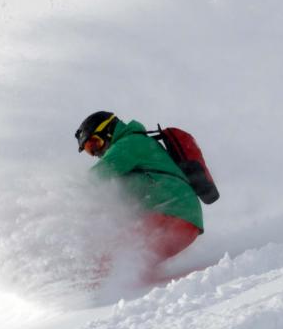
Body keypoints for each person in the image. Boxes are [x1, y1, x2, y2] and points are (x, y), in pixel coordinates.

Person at [75, 111, 203, 277]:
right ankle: (131, 288)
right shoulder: (137, 144)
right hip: (182, 220)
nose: (96, 153)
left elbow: (95, 178)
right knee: (128, 265)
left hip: (172, 215)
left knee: (105, 260)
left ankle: (86, 287)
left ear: (108, 131)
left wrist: (61, 199)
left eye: (95, 143)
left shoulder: (129, 144)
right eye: (89, 150)